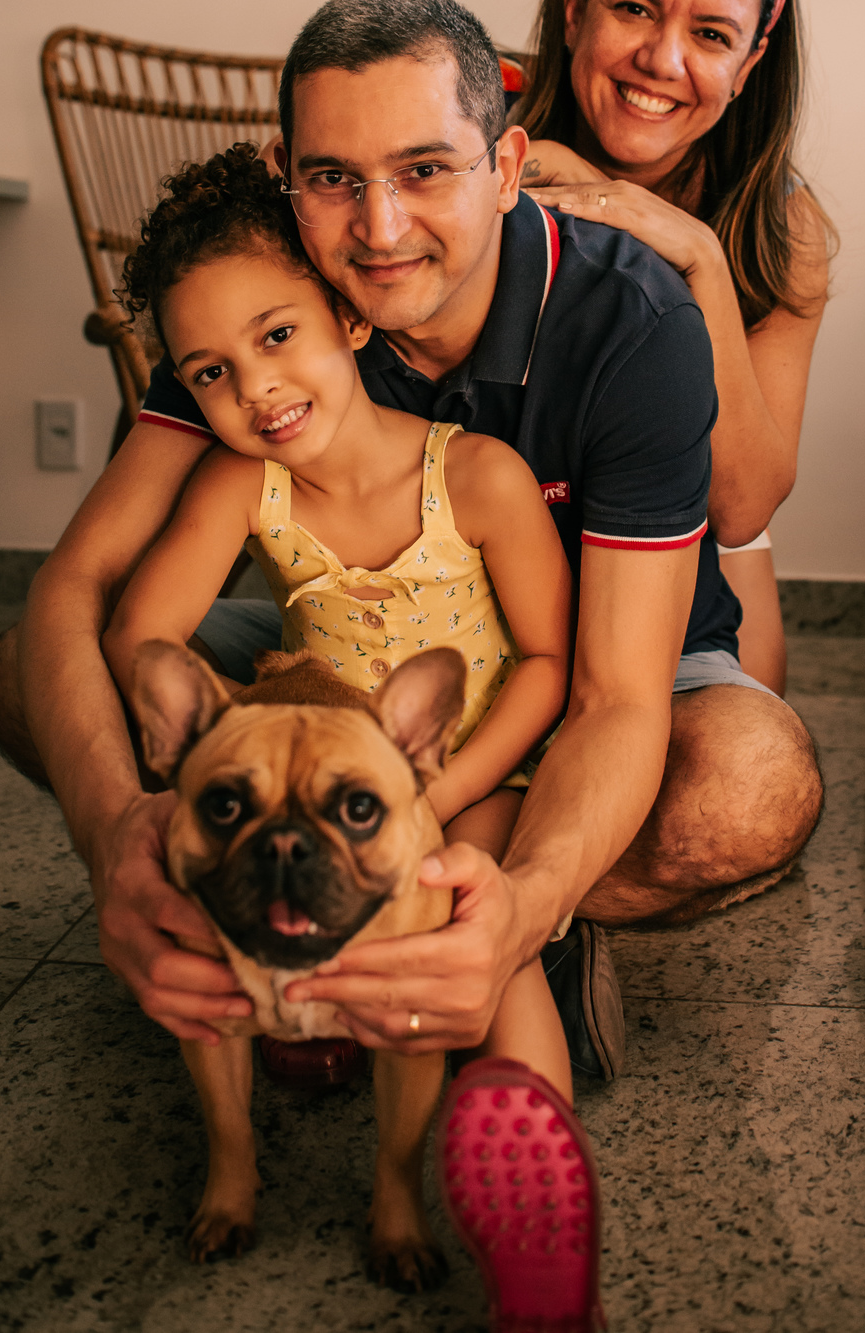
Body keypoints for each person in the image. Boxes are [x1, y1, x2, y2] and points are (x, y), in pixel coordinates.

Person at [0, 0, 822, 1089]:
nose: (378, 231)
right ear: (287, 176)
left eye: (426, 169)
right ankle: (315, 917)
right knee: (25, 678)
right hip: (339, 660)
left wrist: (522, 901)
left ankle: (480, 930)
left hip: (599, 659)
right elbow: (79, 587)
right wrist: (116, 844)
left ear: (506, 168)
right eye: (334, 178)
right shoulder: (262, 299)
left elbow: (611, 693)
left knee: (748, 784)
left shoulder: (633, 320)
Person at [101, 141, 576, 1097]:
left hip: (477, 766)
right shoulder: (243, 483)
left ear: (350, 317)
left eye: (277, 335)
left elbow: (548, 660)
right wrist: (241, 737)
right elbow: (138, 637)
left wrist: (434, 794)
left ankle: (527, 1129)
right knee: (275, 883)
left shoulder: (479, 475)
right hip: (327, 785)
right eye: (210, 373)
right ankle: (303, 1028)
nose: (255, 389)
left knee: (464, 909)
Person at [514, 0, 835, 694]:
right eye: (633, 8)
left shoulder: (780, 228)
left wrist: (699, 258)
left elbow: (743, 508)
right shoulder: (482, 139)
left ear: (751, 61)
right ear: (575, 9)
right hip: (492, 525)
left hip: (692, 528)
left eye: (712, 35)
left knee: (746, 730)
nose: (662, 59)